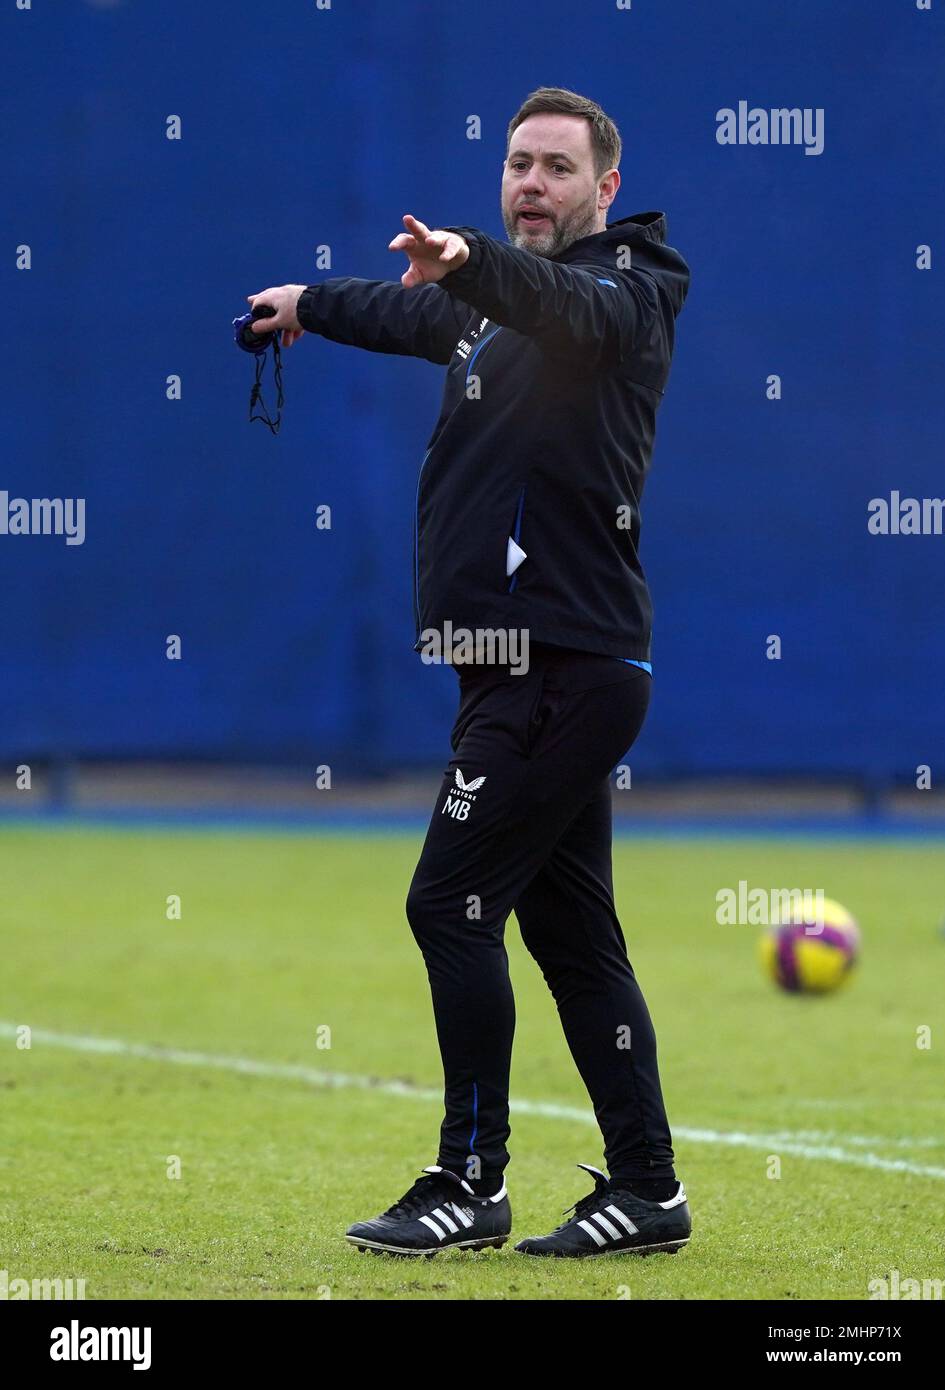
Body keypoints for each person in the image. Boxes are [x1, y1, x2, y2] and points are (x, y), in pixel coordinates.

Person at [246, 87, 691, 1259]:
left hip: (564, 666)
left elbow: (545, 298)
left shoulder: (628, 294)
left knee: (448, 902)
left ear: (604, 182)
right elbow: (419, 320)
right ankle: (648, 1188)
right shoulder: (495, 311)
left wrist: (475, 261)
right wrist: (310, 304)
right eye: (515, 164)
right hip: (508, 670)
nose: (531, 182)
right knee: (573, 933)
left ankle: (470, 1180)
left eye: (555, 166)